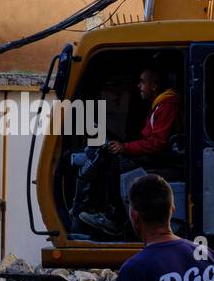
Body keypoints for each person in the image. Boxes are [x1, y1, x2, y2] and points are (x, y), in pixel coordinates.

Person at [77, 65, 182, 237]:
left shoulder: (166, 106)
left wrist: (124, 148)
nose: (139, 86)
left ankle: (114, 218)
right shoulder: (159, 105)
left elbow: (156, 144)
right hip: (159, 156)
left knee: (117, 162)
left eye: (142, 82)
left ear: (154, 86)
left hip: (164, 160)